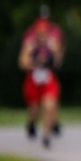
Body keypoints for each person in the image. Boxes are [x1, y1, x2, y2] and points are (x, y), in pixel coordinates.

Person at [20, 19, 65, 148]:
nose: (42, 37)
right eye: (40, 34)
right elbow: (23, 63)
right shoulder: (30, 44)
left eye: (44, 34)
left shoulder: (52, 44)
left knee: (49, 105)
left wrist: (55, 56)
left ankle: (46, 135)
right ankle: (32, 123)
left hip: (48, 80)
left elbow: (59, 61)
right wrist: (36, 63)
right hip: (33, 80)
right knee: (34, 109)